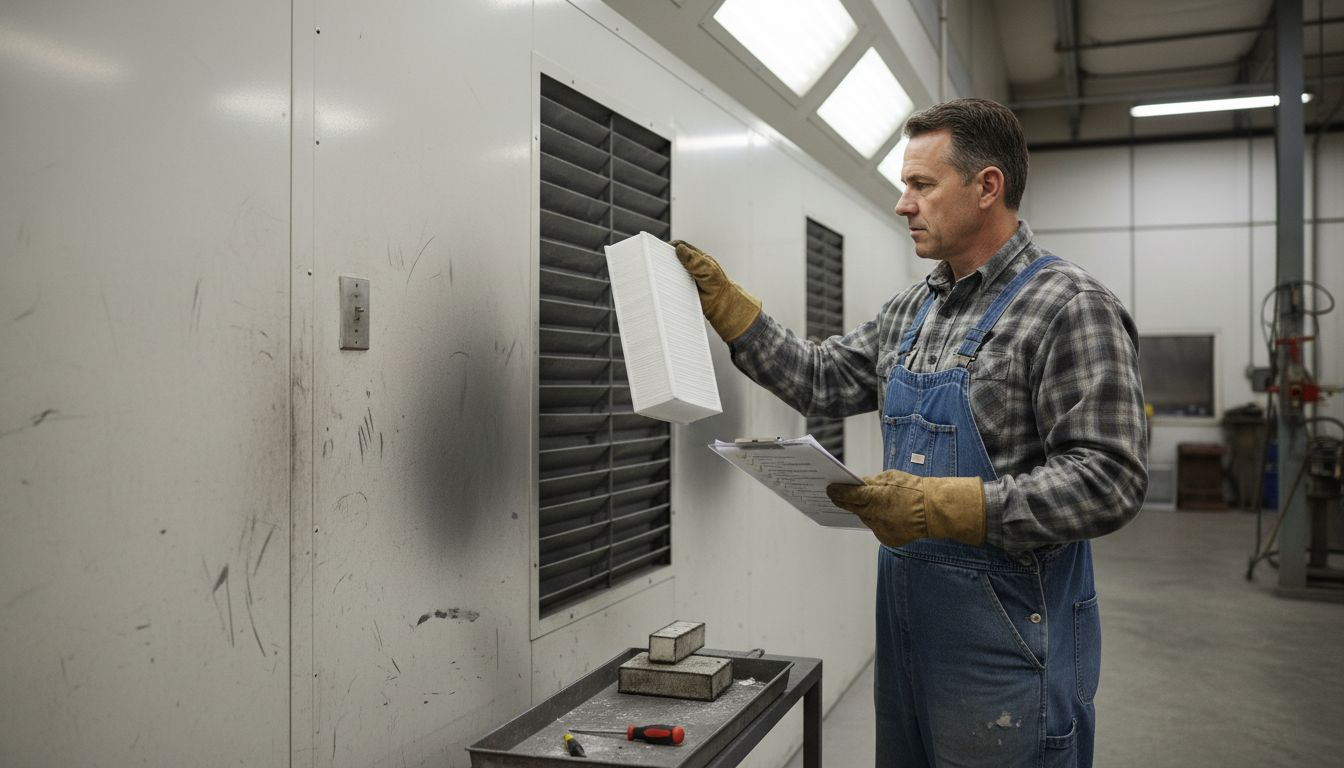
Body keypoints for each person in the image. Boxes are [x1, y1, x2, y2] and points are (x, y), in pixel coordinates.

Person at [672, 98, 1147, 767]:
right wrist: (733, 313)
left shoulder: (1069, 307)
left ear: (987, 187)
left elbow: (1110, 481)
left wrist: (943, 506)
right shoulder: (912, 310)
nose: (903, 204)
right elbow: (823, 380)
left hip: (1008, 650)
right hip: (907, 638)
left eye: (921, 185)